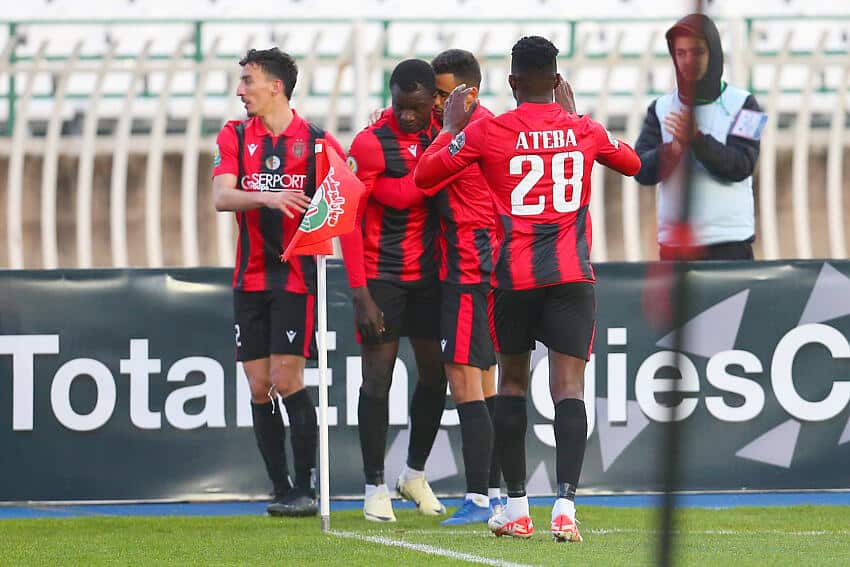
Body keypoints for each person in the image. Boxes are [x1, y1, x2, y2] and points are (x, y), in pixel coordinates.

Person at [415, 36, 641, 541]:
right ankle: (566, 506)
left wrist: (450, 128)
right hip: (569, 279)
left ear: (512, 82)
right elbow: (633, 164)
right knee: (569, 388)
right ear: (558, 82)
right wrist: (578, 120)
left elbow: (425, 176)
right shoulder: (584, 129)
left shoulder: (487, 132)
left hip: (513, 279)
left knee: (512, 386)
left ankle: (516, 507)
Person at [212, 47, 346, 517]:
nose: (240, 90)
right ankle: (280, 485)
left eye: (248, 81)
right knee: (256, 385)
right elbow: (222, 196)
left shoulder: (315, 141)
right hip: (249, 277)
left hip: (295, 279)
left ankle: (306, 487)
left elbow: (346, 198)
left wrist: (325, 219)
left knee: (286, 378)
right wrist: (269, 197)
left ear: (276, 86)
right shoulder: (233, 134)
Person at [371, 49, 502, 526]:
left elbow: (414, 187)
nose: (435, 108)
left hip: (470, 267)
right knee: (485, 382)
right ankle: (501, 496)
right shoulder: (488, 126)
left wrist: (368, 181)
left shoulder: (463, 134)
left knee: (466, 381)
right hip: (489, 266)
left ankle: (481, 499)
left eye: (443, 96)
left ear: (466, 94)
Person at [339, 59, 447, 522]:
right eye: (400, 105)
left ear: (431, 102)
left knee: (435, 375)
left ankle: (414, 474)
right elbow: (349, 222)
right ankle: (373, 485)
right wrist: (360, 294)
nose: (407, 115)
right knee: (378, 379)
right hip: (381, 277)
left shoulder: (442, 134)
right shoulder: (369, 142)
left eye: (416, 107)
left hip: (429, 279)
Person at [634, 13, 763, 261]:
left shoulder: (746, 104)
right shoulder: (659, 108)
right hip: (676, 246)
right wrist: (672, 150)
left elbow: (744, 165)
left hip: (730, 242)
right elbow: (640, 169)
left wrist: (698, 140)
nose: (688, 60)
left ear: (713, 53)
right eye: (680, 53)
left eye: (697, 52)